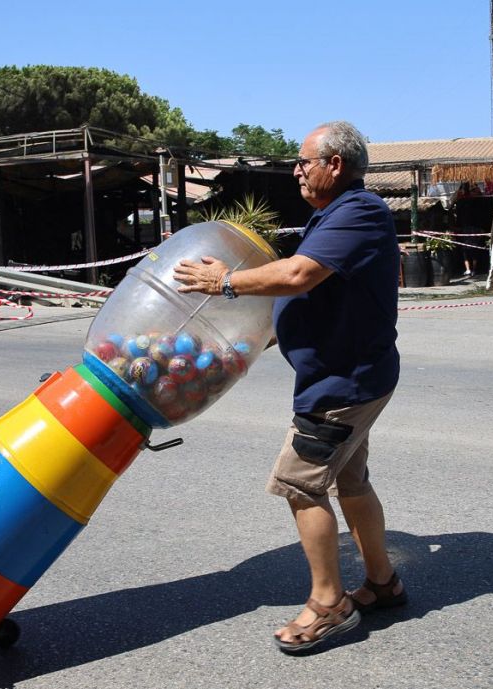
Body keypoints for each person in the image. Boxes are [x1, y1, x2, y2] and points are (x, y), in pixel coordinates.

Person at [173, 121, 405, 654]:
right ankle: (383, 583)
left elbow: (300, 276)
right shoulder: (335, 216)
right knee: (351, 480)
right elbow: (320, 292)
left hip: (341, 385)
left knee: (299, 483)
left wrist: (223, 282)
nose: (297, 170)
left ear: (335, 165)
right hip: (354, 374)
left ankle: (329, 602)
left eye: (304, 161)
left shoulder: (358, 211)